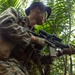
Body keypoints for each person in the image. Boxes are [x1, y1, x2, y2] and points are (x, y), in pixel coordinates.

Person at [0, 2, 52, 75]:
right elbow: (4, 23)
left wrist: (61, 52)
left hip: (20, 68)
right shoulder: (15, 13)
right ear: (37, 9)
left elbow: (38, 59)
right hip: (4, 61)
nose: (46, 19)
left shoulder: (35, 34)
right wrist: (33, 39)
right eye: (45, 15)